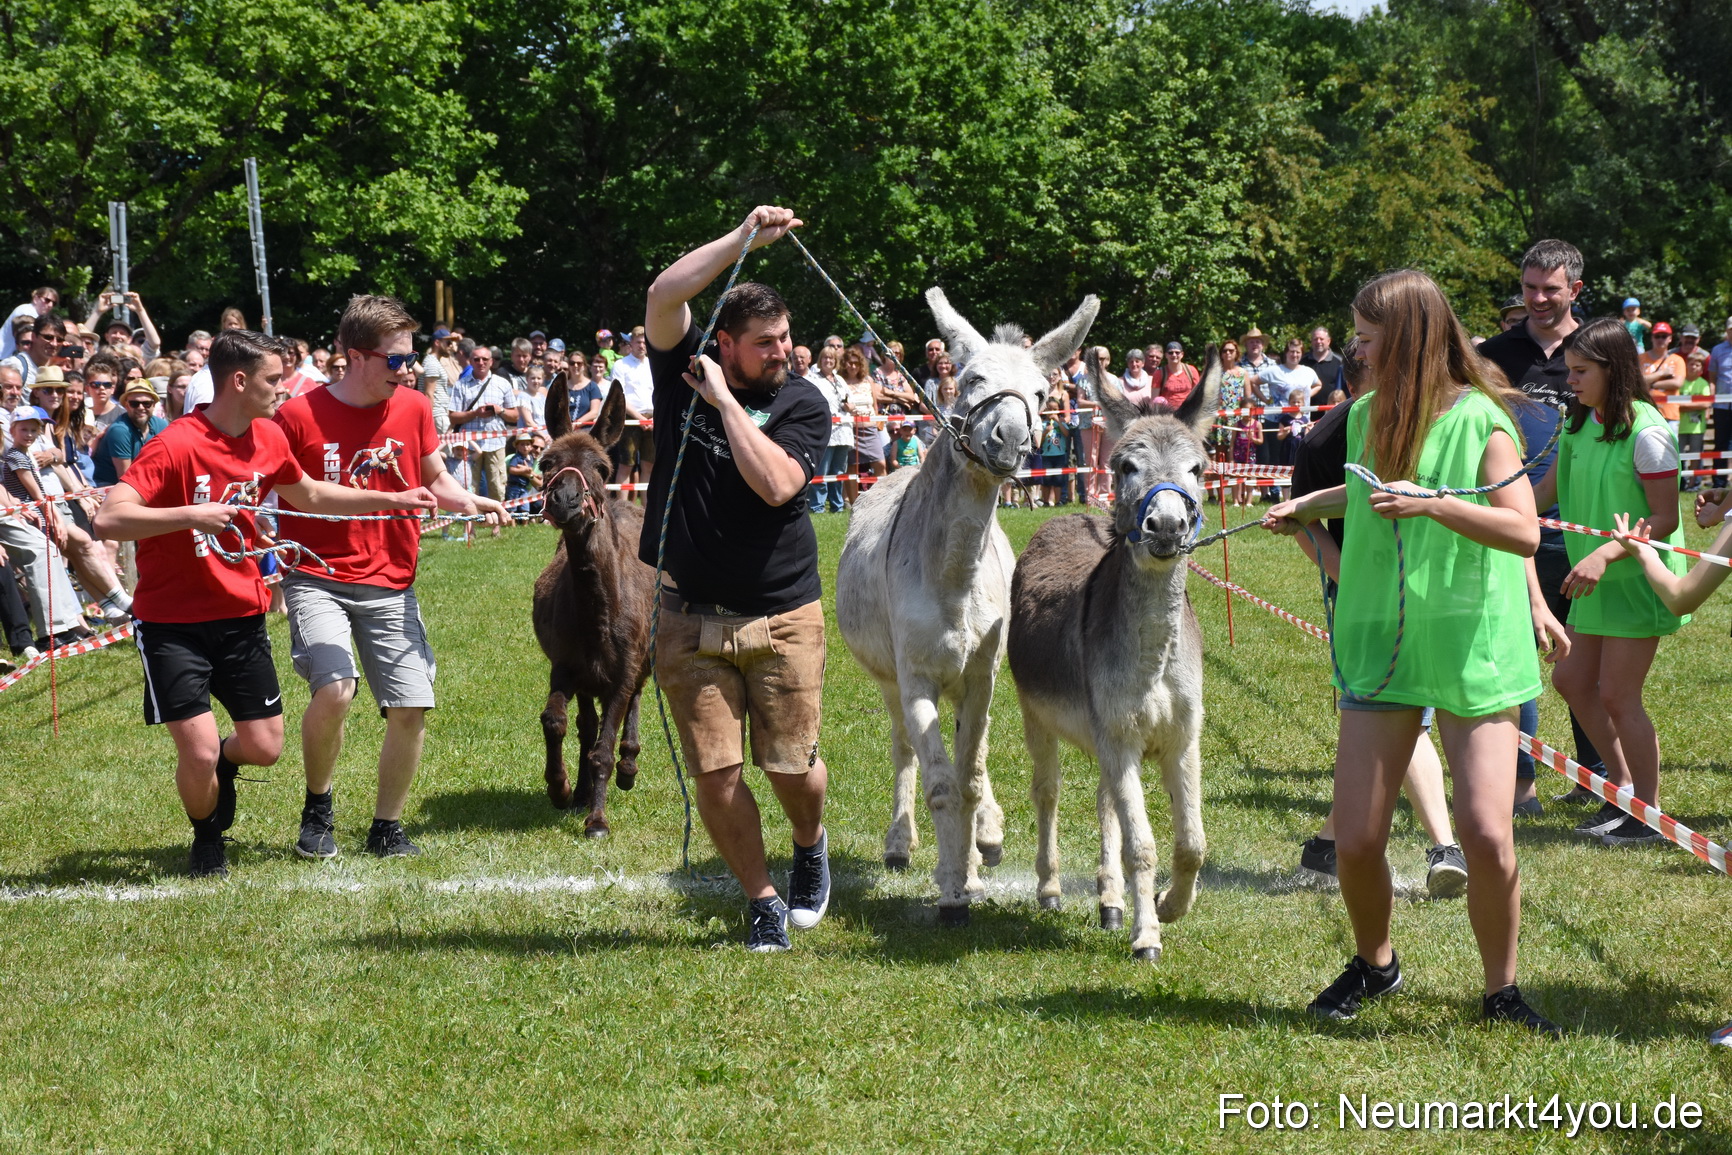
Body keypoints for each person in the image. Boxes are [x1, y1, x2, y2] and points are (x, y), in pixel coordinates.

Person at [1263, 268, 1557, 1035]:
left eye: (1366, 339)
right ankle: (1376, 964)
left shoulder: (1483, 421)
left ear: (1412, 340)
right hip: (1380, 644)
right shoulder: (1364, 417)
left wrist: (1435, 504)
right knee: (1356, 836)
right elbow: (1365, 487)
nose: (1355, 352)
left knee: (1487, 831)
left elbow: (1523, 529)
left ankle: (1502, 991)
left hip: (1471, 644)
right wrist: (1309, 504)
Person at [92, 329, 438, 878]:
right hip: (171, 624)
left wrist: (394, 498)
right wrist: (191, 514)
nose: (284, 389)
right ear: (239, 380)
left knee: (264, 746)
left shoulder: (268, 439)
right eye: (274, 379)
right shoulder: (176, 444)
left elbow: (313, 495)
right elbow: (109, 517)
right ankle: (207, 839)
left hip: (241, 615)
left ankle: (220, 775)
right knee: (200, 751)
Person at [642, 205, 833, 952]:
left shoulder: (801, 401)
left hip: (783, 615)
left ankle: (809, 844)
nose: (782, 351)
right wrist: (744, 237)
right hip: (689, 615)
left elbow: (779, 484)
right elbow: (664, 294)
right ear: (724, 343)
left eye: (786, 338)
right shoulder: (678, 365)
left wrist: (723, 399)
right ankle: (761, 899)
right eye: (765, 343)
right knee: (717, 774)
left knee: (791, 768)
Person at [273, 297, 508, 859]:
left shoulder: (413, 409)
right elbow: (299, 494)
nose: (407, 372)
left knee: (410, 705)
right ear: (356, 356)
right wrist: (393, 496)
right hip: (317, 574)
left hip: (390, 578)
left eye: (411, 360)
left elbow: (434, 478)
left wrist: (471, 499)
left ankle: (386, 826)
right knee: (334, 690)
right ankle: (318, 807)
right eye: (396, 361)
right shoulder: (296, 417)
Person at [1282, 340, 1470, 894]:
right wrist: (1359, 587)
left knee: (1397, 719)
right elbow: (1307, 522)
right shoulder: (1327, 436)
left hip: (1433, 593)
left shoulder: (1440, 420)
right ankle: (1434, 846)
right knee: (1397, 717)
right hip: (1370, 602)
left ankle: (1337, 844)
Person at [1529, 318, 1684, 848]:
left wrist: (1604, 555)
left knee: (1619, 695)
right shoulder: (1579, 422)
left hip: (1637, 580)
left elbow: (1663, 518)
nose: (1568, 380)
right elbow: (1548, 487)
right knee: (1572, 681)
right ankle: (1621, 790)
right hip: (1593, 580)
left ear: (1613, 370)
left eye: (1579, 371)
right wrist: (1493, 511)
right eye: (1569, 370)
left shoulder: (1649, 433)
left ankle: (1650, 813)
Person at [1477, 239, 1605, 813]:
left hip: (1582, 528)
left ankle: (1596, 777)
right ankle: (1521, 780)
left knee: (1585, 657)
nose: (1538, 299)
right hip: (1509, 522)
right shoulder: (1496, 354)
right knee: (1517, 654)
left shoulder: (1597, 348)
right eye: (1529, 288)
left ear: (1574, 290)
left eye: (1550, 289)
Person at [444, 345, 517, 515]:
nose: (481, 363)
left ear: (491, 362)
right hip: (469, 445)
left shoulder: (502, 383)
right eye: (476, 359)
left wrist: (501, 411)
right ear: (470, 361)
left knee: (497, 485)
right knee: (470, 486)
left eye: (485, 359)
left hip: (495, 442)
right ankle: (471, 526)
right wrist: (475, 413)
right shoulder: (461, 385)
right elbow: (453, 416)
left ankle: (497, 525)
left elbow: (514, 416)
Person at [809, 347, 859, 514]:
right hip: (825, 431)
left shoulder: (840, 380)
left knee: (839, 471)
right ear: (820, 360)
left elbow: (851, 402)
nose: (828, 361)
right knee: (822, 470)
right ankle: (818, 506)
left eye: (831, 359)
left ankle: (837, 506)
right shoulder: (813, 379)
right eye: (825, 358)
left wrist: (850, 406)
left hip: (843, 431)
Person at [609, 326, 656, 500]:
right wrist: (639, 419)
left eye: (644, 342)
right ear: (631, 343)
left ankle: (647, 511)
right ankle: (622, 510)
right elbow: (618, 396)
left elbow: (660, 392)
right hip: (629, 418)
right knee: (626, 465)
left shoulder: (653, 364)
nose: (641, 345)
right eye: (638, 342)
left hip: (652, 418)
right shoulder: (621, 365)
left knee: (649, 466)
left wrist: (653, 418)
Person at [91, 378, 167, 486]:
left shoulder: (161, 425)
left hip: (146, 482)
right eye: (134, 403)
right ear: (126, 406)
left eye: (146, 403)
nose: (141, 408)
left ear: (154, 405)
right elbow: (125, 477)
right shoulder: (120, 431)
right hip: (110, 486)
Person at [1640, 322, 1685, 435]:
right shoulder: (1640, 358)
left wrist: (1652, 383)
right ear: (1652, 338)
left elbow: (1677, 383)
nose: (1660, 339)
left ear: (1670, 339)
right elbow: (1638, 382)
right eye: (1657, 336)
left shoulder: (1677, 360)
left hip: (1670, 414)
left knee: (1671, 451)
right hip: (1645, 413)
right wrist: (1662, 373)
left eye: (1664, 336)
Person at [1678, 348, 1712, 488]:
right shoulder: (1680, 383)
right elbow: (1674, 404)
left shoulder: (1703, 383)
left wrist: (1684, 405)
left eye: (1697, 365)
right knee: (1678, 456)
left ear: (1701, 368)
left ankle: (1692, 485)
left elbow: (1705, 403)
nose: (1693, 367)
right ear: (1686, 365)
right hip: (1680, 426)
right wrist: (1694, 405)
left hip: (1697, 428)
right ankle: (1680, 483)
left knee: (1695, 456)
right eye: (1691, 364)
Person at [0, 286, 59, 362]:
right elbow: (29, 339)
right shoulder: (25, 311)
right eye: (47, 300)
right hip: (4, 356)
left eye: (53, 303)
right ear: (36, 299)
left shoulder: (36, 316)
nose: (50, 305)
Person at [1302, 326, 1345, 396]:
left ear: (1328, 341)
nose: (1318, 342)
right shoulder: (1302, 361)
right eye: (1315, 339)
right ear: (1311, 341)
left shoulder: (1340, 361)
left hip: (1332, 405)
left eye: (1321, 339)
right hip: (1307, 406)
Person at [506, 430, 542, 515]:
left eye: (527, 444)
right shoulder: (516, 458)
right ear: (517, 447)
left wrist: (536, 475)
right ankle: (512, 525)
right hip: (514, 486)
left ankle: (525, 524)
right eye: (522, 444)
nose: (525, 447)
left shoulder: (531, 459)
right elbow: (512, 470)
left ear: (530, 447)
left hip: (524, 487)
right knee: (512, 507)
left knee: (525, 507)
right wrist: (523, 470)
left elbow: (530, 470)